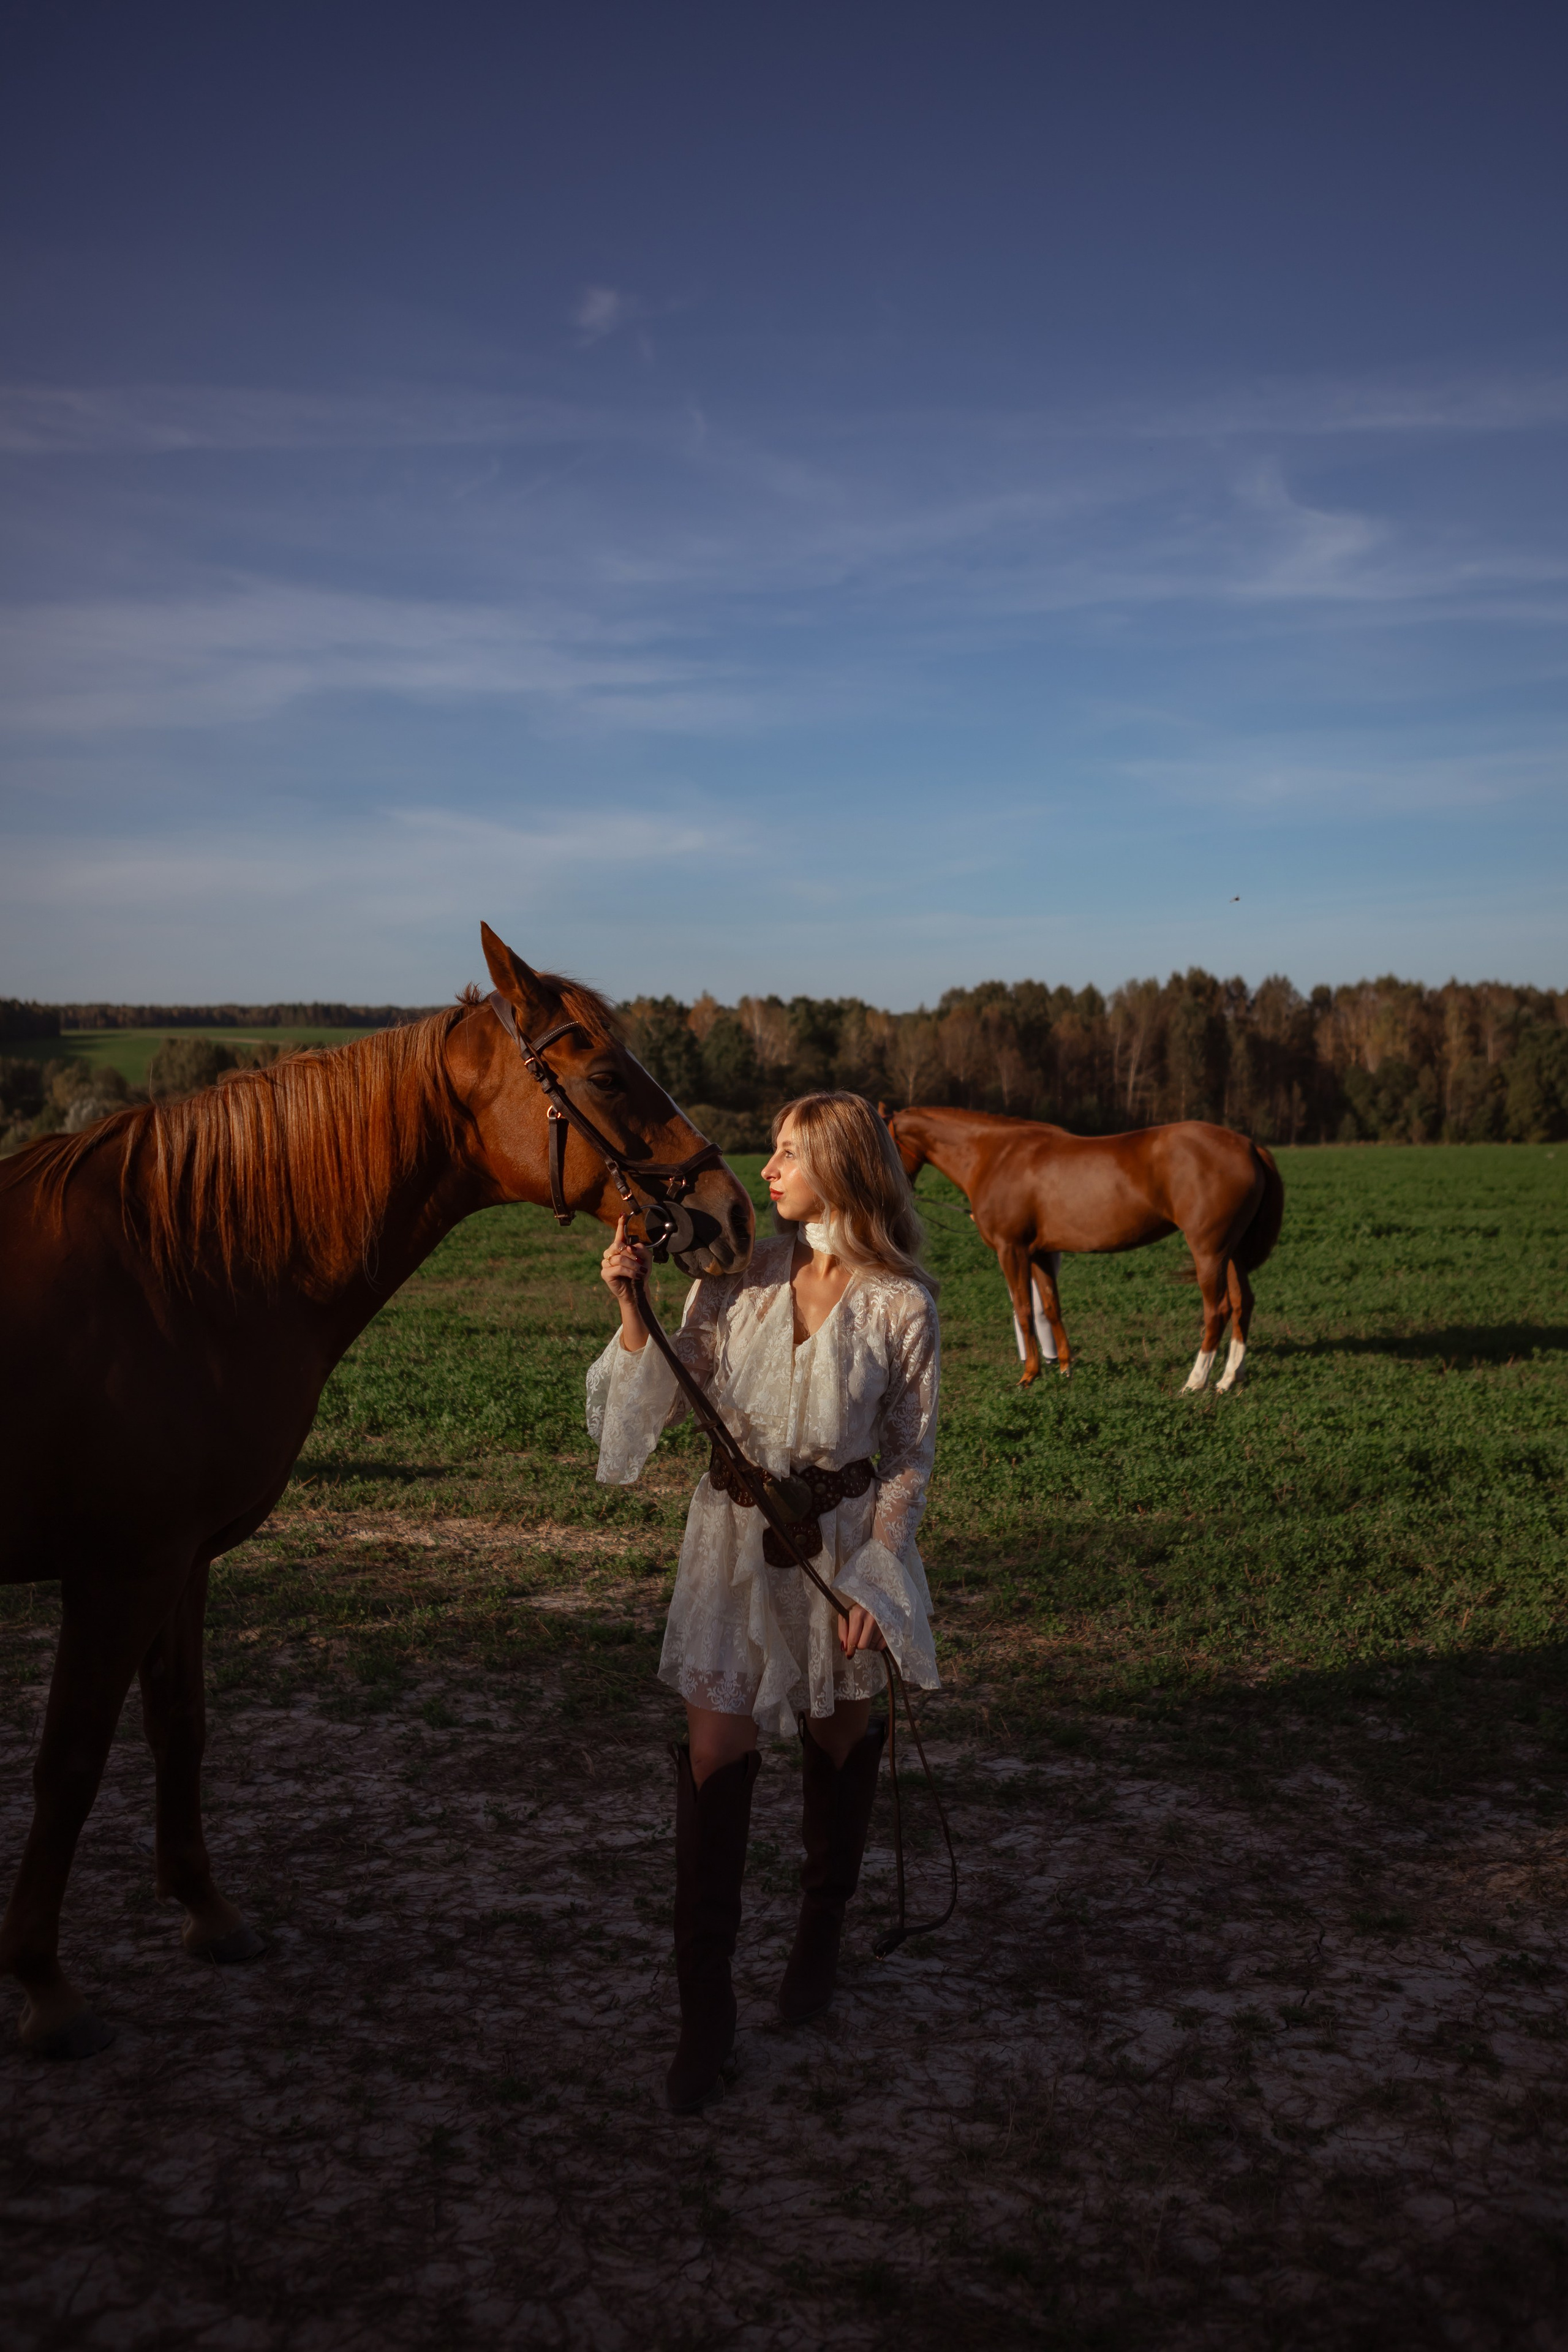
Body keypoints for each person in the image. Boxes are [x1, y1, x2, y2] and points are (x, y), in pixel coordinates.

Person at [590, 1090, 942, 2113]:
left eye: (790, 1152)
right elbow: (674, 1385)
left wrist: (879, 1578)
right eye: (774, 1149)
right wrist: (632, 1306)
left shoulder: (902, 1302)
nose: (769, 1166)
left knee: (838, 1742)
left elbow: (912, 1458)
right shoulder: (734, 1276)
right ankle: (706, 2018)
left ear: (842, 1167)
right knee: (714, 1756)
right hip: (733, 1542)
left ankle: (819, 1938)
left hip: (841, 1548)